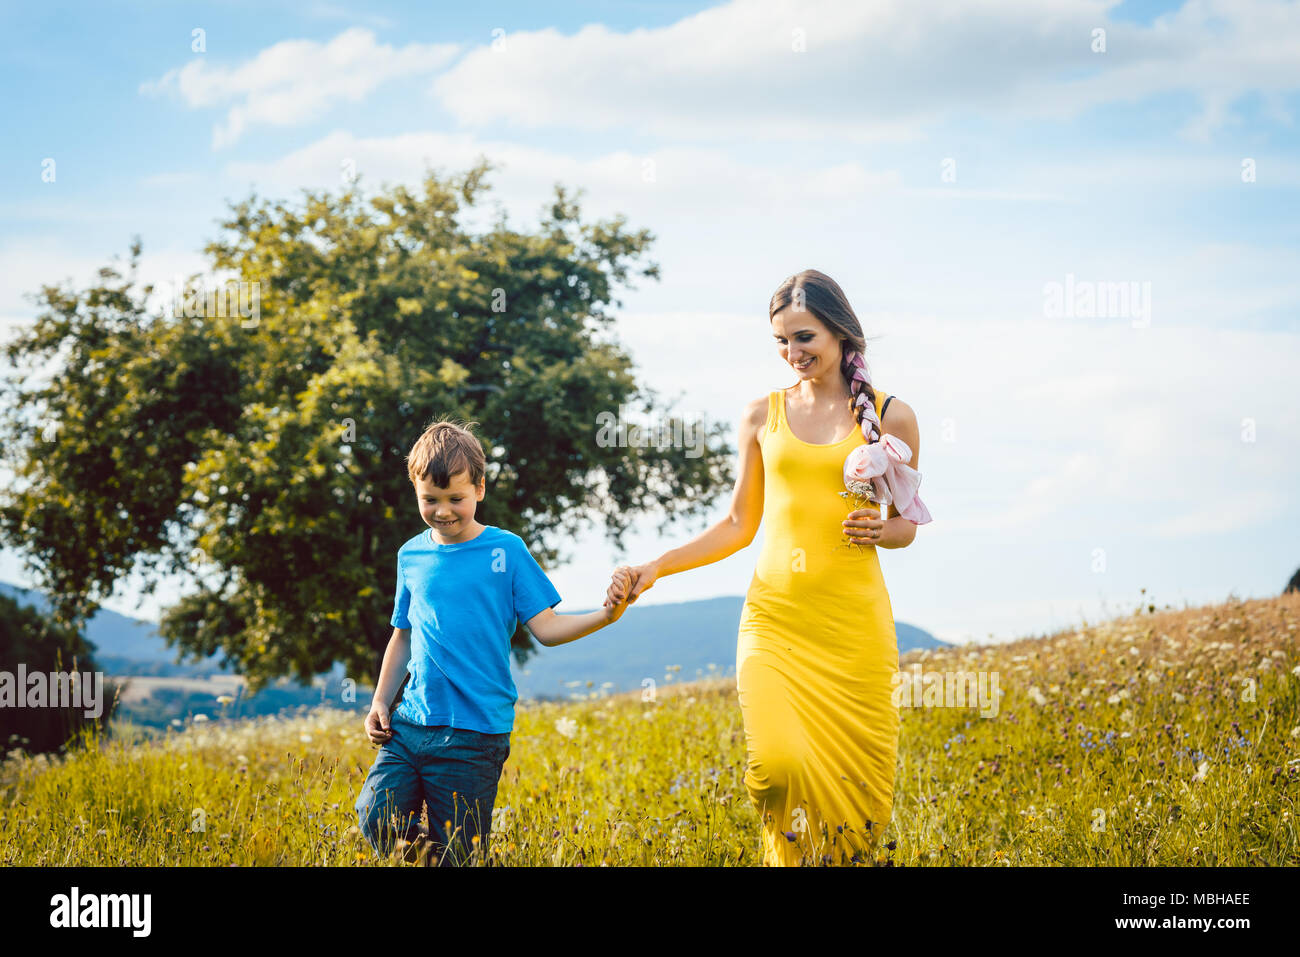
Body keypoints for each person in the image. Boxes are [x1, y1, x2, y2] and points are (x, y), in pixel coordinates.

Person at [605, 268, 931, 865]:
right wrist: (658, 567)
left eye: (803, 337)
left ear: (838, 332)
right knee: (777, 769)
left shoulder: (893, 416)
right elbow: (737, 525)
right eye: (781, 341)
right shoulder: (763, 415)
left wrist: (884, 531)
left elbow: (908, 525)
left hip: (854, 630)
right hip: (775, 622)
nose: (792, 353)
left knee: (857, 805)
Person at [356, 418, 634, 866]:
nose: (443, 510)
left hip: (475, 733)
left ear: (480, 489)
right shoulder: (411, 555)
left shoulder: (506, 551)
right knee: (374, 815)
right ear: (414, 491)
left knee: (460, 854)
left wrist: (607, 614)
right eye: (430, 499)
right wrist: (379, 702)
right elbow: (402, 635)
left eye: (456, 499)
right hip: (410, 725)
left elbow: (547, 628)